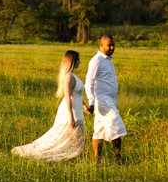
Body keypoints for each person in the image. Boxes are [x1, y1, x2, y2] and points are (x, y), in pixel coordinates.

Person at [12, 50, 85, 162]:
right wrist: (70, 117)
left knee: (76, 137)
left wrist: (84, 106)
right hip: (70, 111)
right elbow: (67, 97)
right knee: (74, 136)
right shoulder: (68, 77)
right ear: (72, 61)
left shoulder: (73, 76)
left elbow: (77, 94)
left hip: (77, 109)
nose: (80, 62)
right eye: (78, 60)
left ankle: (76, 157)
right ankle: (77, 158)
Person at [84, 33, 127, 163]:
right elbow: (89, 81)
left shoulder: (108, 60)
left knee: (100, 131)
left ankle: (97, 159)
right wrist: (91, 101)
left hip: (108, 100)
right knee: (116, 127)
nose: (112, 48)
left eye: (113, 45)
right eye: (109, 45)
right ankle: (118, 159)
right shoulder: (96, 61)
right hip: (102, 100)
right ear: (101, 45)